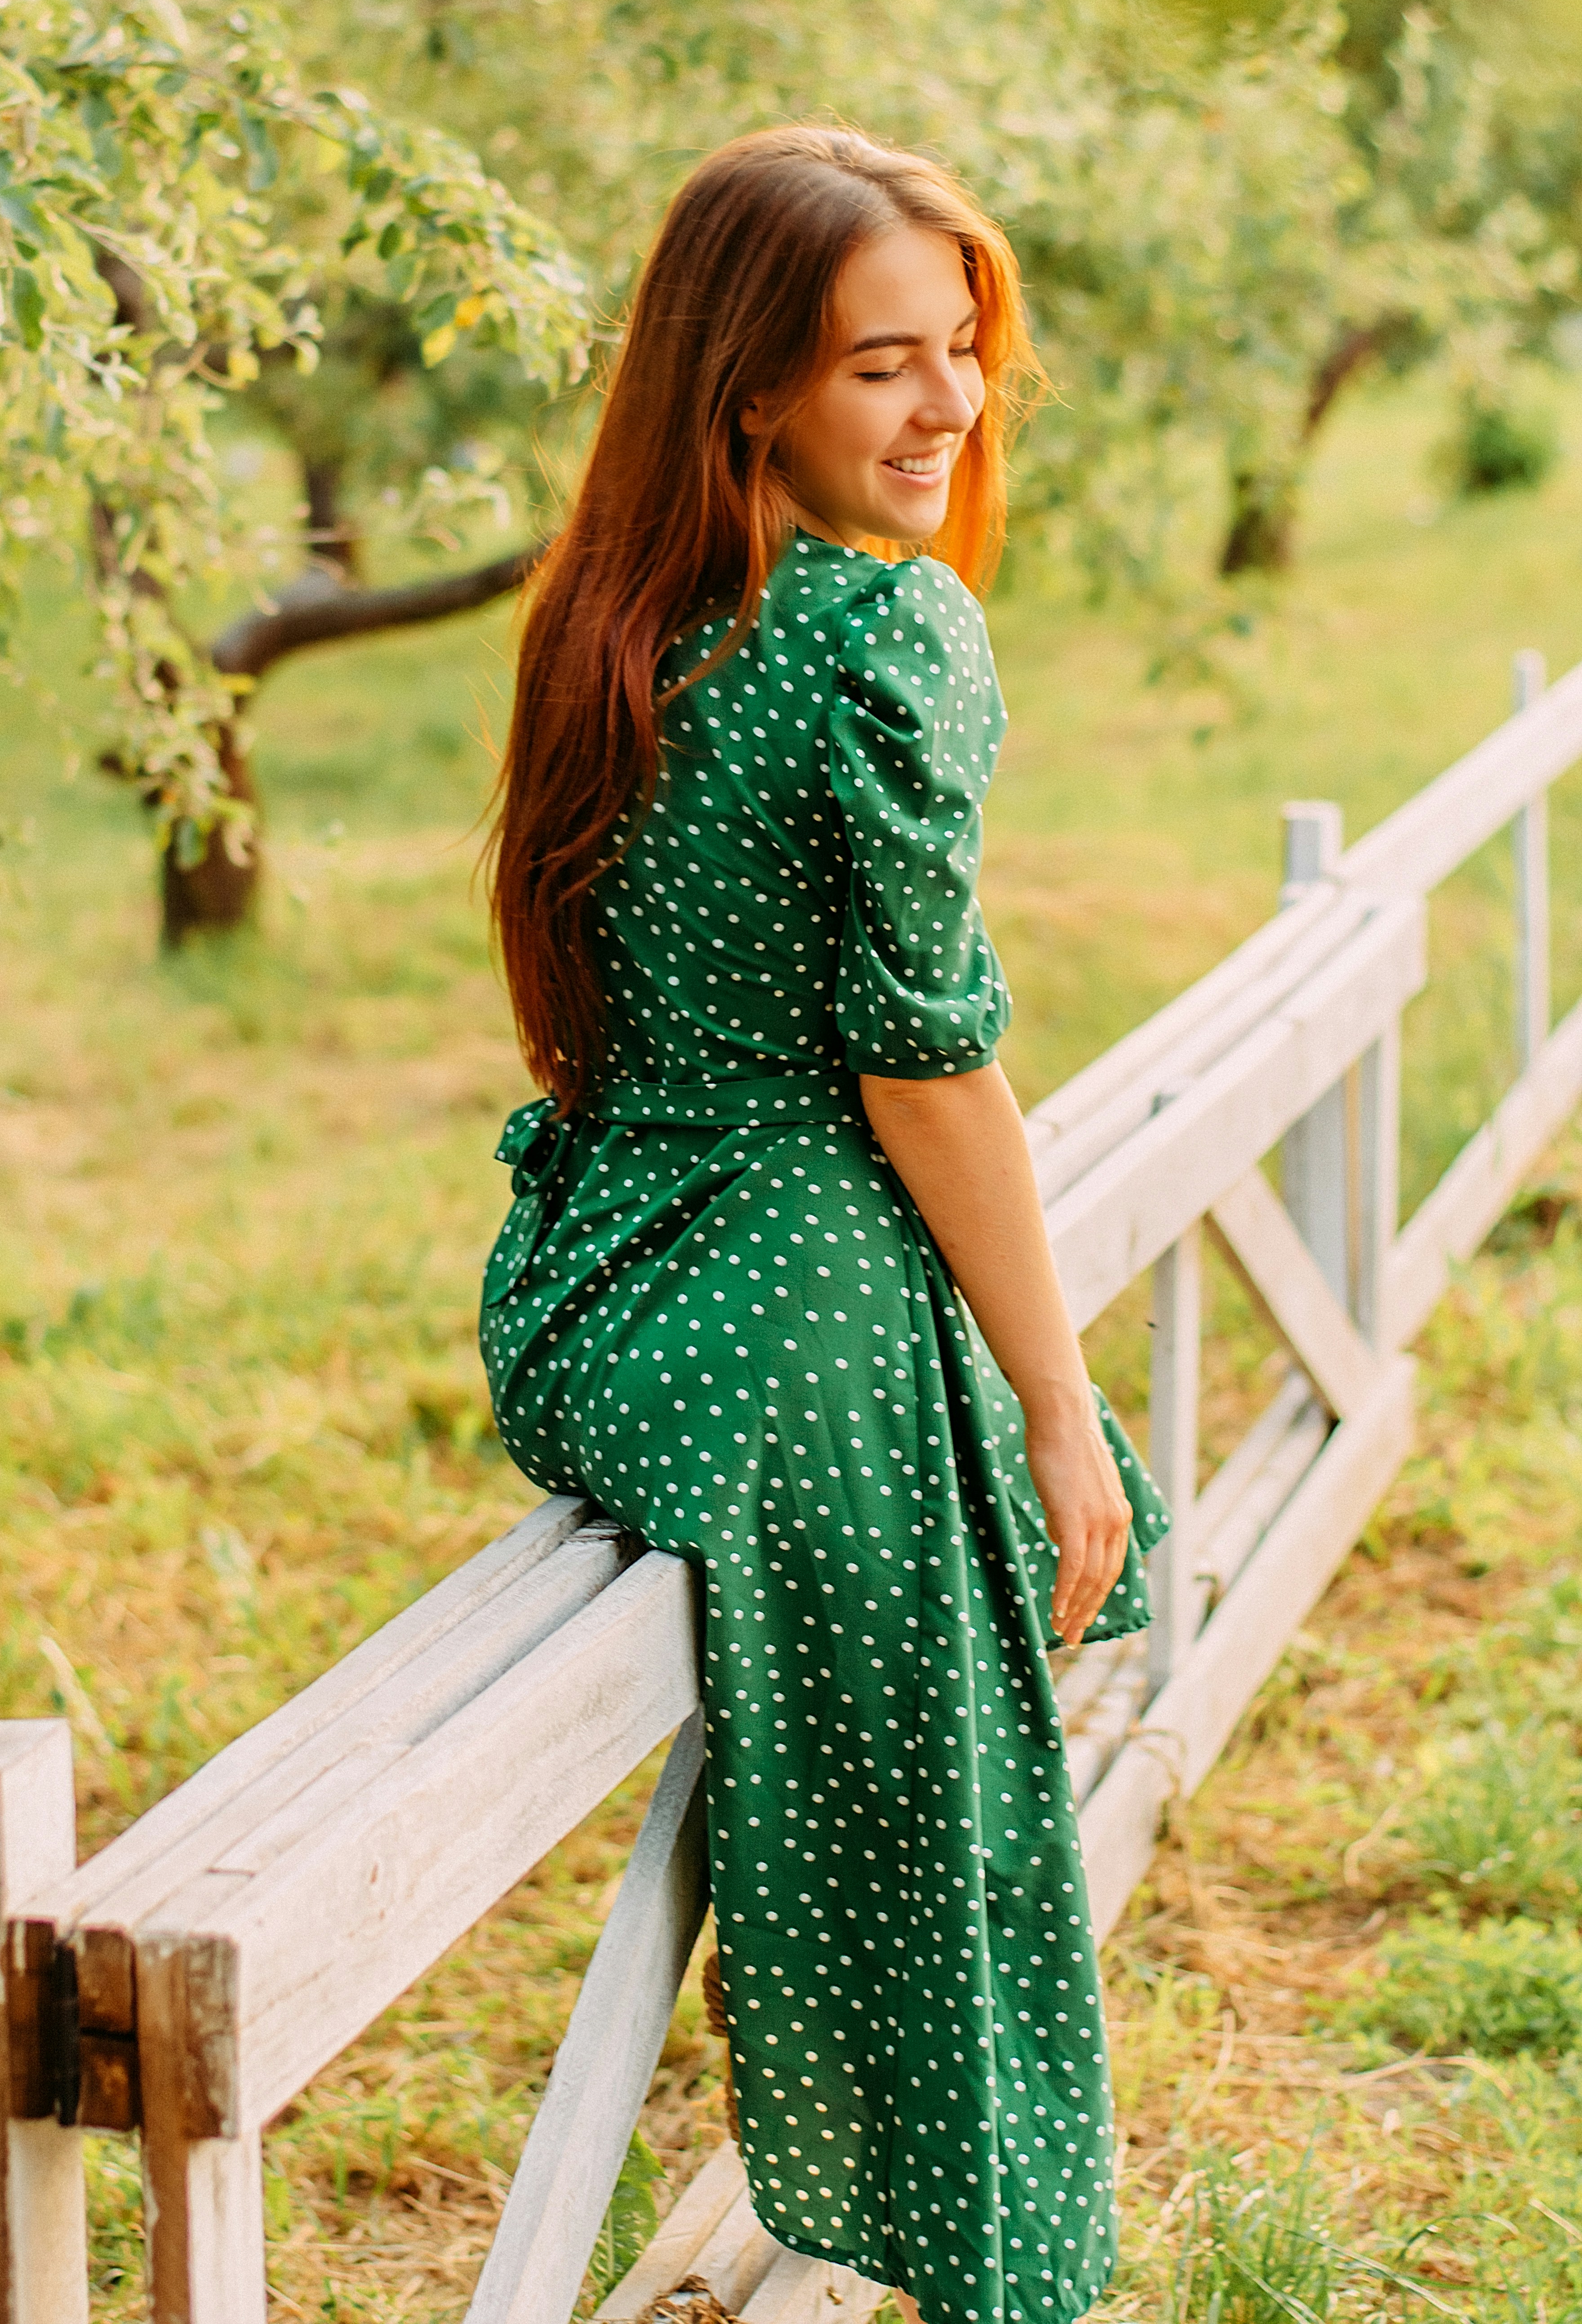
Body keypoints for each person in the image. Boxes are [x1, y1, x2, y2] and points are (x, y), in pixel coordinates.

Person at [481, 126, 1168, 2324]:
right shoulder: (888, 631)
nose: (949, 407)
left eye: (961, 352)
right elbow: (924, 1067)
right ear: (749, 388)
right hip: (782, 1288)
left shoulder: (614, 607)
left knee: (918, 1651)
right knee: (960, 1780)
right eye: (882, 364)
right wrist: (1059, 1403)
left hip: (597, 1285)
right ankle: (992, 2253)